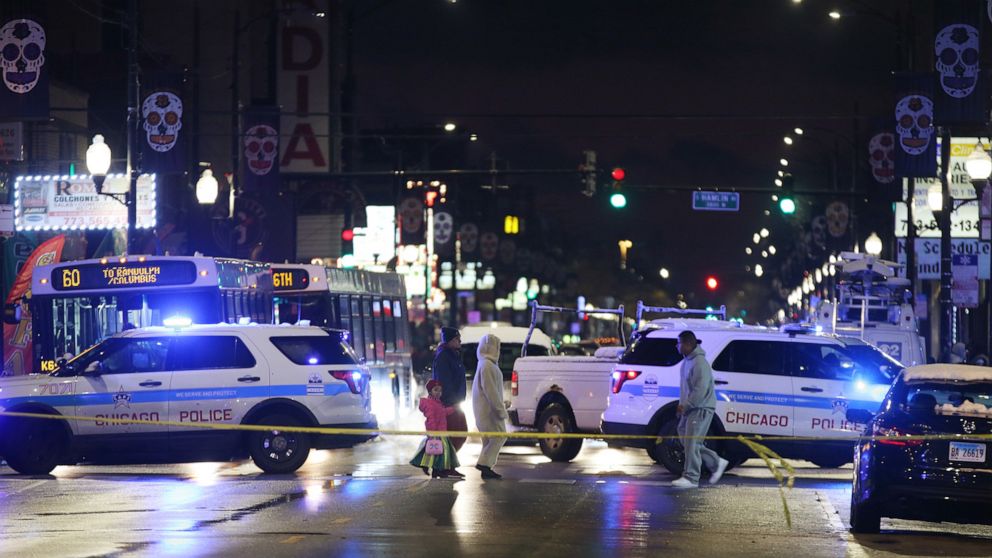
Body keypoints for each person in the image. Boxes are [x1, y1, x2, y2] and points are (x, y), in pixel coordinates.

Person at [671, 330, 729, 489]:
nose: (677, 346)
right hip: (690, 408)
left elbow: (700, 390)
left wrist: (687, 405)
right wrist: (682, 407)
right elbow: (686, 389)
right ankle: (716, 463)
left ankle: (691, 478)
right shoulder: (687, 362)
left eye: (679, 343)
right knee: (687, 440)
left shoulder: (699, 363)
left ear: (688, 344)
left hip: (700, 408)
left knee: (691, 442)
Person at [432, 326, 468, 478]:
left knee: (458, 434)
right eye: (456, 338)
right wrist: (451, 402)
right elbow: (444, 382)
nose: (459, 341)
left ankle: (445, 466)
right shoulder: (444, 357)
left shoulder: (453, 355)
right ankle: (442, 466)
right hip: (449, 404)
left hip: (455, 402)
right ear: (449, 340)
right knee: (457, 434)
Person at [472, 333, 508, 480]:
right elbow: (490, 391)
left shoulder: (486, 364)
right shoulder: (487, 365)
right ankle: (484, 464)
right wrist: (500, 410)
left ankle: (486, 467)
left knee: (490, 440)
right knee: (499, 436)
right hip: (489, 412)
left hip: (486, 410)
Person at [410, 379, 461, 479]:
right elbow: (431, 419)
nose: (438, 393)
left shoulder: (438, 403)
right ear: (430, 391)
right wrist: (433, 433)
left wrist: (453, 409)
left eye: (440, 390)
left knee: (437, 452)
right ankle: (437, 470)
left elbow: (443, 413)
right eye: (436, 390)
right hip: (436, 433)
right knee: (439, 452)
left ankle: (435, 470)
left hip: (441, 432)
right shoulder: (430, 404)